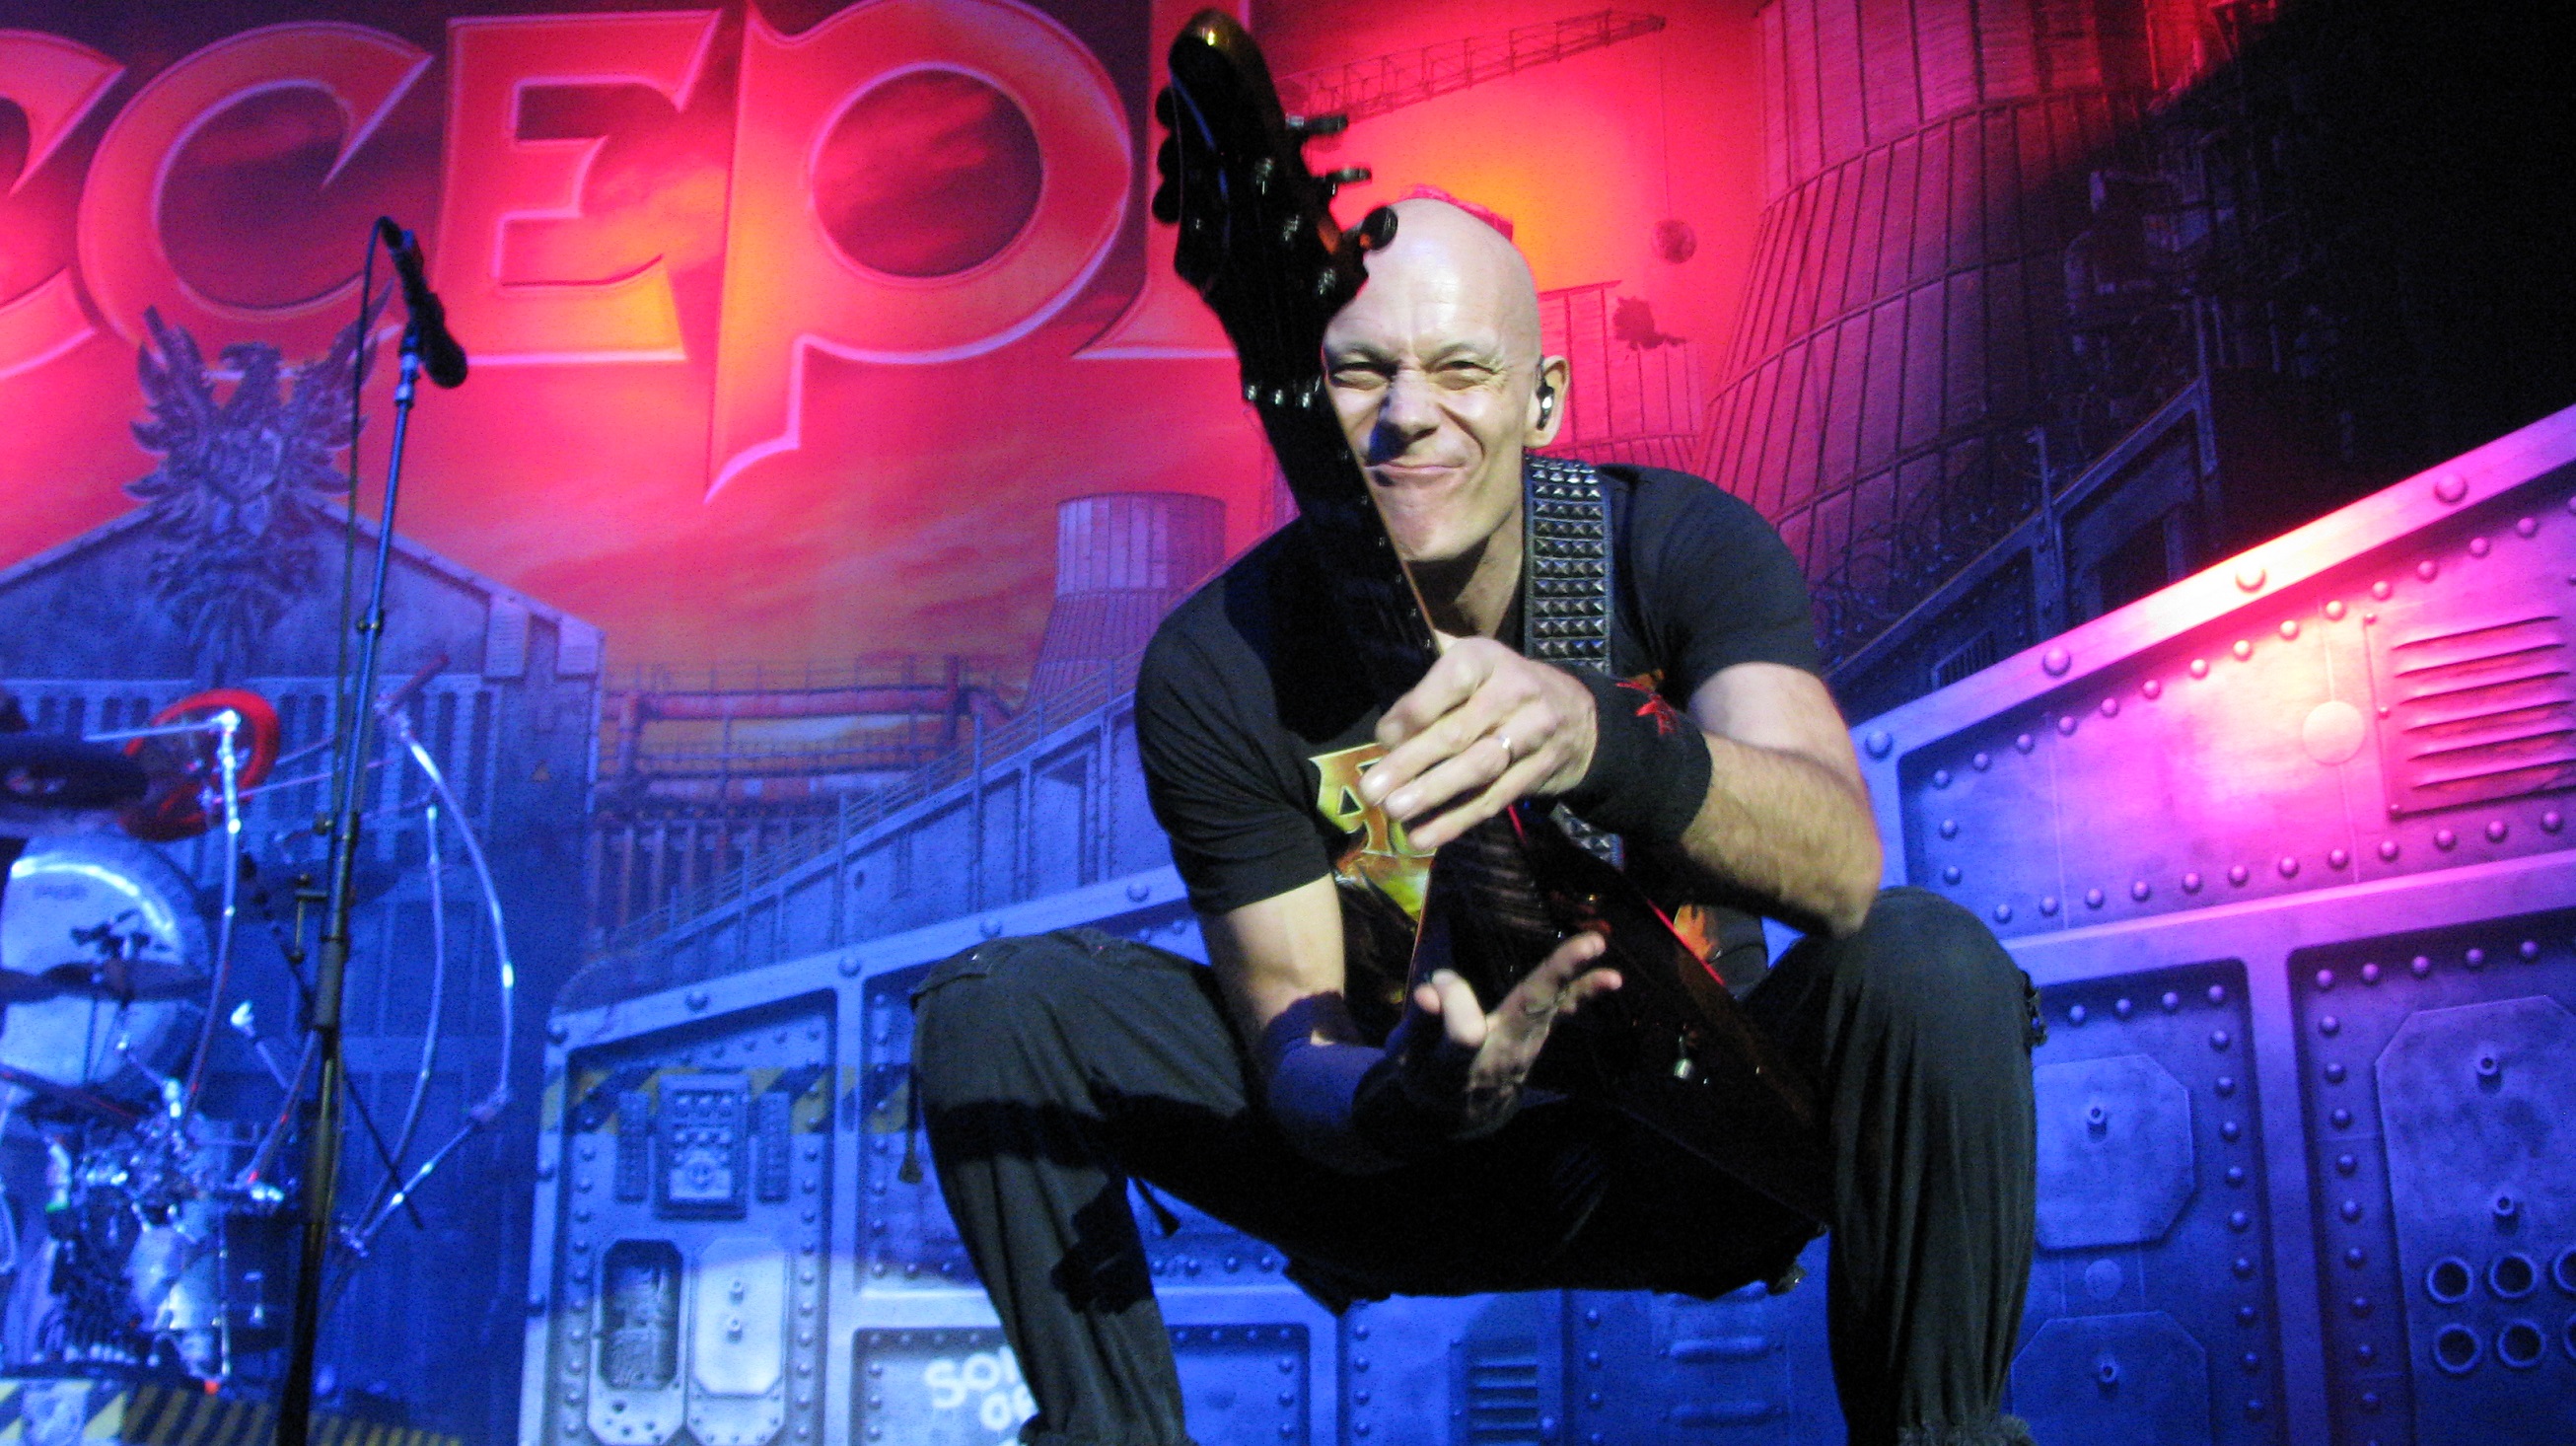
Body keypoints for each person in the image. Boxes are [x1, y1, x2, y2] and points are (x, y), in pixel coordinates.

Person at [913, 197, 2040, 1446]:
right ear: (1304, 404)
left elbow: (1837, 868)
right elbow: (1292, 1043)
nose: (1407, 412)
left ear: (1541, 400)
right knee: (996, 1005)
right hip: (1399, 1162)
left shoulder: (1672, 545)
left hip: (1691, 1142)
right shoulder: (1219, 660)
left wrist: (1600, 737)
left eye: (1460, 368)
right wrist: (1406, 1093)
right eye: (1359, 373)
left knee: (1930, 960)